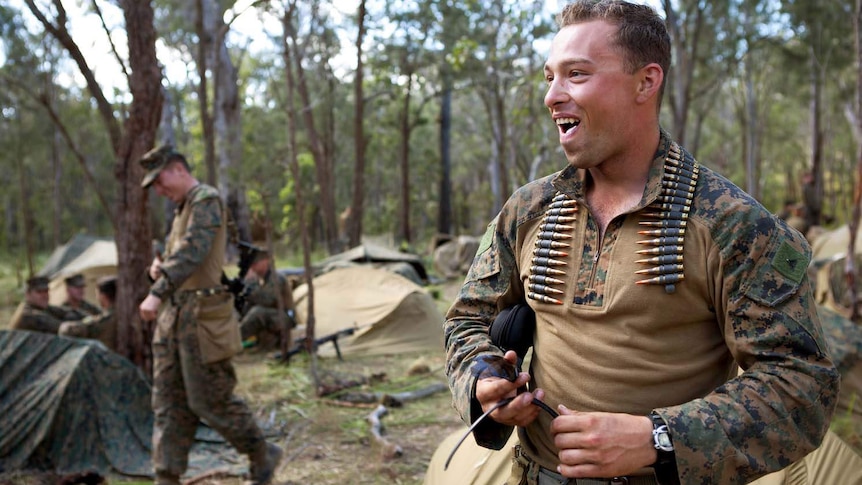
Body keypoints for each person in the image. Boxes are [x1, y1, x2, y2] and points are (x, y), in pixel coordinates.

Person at [443, 2, 839, 485]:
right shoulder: (529, 210)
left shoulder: (731, 225)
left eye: (577, 74)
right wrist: (484, 379)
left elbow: (802, 386)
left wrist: (660, 439)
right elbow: (467, 319)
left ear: (645, 82)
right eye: (550, 77)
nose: (551, 95)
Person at [136, 145, 282, 485]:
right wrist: (156, 271)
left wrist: (155, 294)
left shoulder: (206, 200)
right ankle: (166, 476)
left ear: (178, 169)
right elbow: (178, 260)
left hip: (201, 318)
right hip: (175, 318)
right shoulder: (181, 209)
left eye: (159, 181)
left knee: (210, 400)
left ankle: (261, 453)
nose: (158, 190)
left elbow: (193, 253)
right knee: (168, 403)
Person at [239, 245, 296, 351]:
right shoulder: (262, 279)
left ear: (266, 262)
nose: (252, 267)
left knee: (257, 312)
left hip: (285, 317)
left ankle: (234, 341)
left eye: (255, 264)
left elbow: (267, 300)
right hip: (273, 315)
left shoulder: (276, 277)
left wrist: (251, 286)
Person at [58, 275, 119, 353]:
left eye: (82, 287)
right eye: (77, 288)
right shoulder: (61, 310)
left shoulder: (100, 315)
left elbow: (67, 330)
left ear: (103, 297)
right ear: (68, 290)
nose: (81, 291)